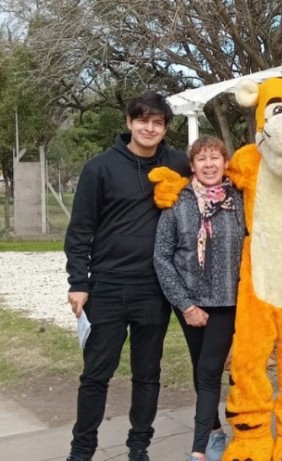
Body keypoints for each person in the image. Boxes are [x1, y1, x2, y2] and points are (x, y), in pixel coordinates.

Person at [64, 92, 191, 461]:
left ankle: (139, 447)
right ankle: (81, 450)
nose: (149, 128)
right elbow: (80, 230)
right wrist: (78, 282)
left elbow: (215, 175)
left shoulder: (178, 163)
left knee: (147, 374)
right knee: (95, 375)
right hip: (107, 285)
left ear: (165, 127)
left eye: (157, 122)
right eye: (142, 120)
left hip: (154, 287)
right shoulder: (100, 168)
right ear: (129, 122)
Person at [153, 136, 244, 461]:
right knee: (200, 367)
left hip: (227, 300)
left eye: (215, 158)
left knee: (208, 370)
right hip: (189, 302)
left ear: (225, 163)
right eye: (202, 159)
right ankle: (215, 431)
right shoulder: (178, 203)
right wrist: (186, 304)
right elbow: (162, 257)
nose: (209, 164)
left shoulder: (239, 200)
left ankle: (199, 449)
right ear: (192, 166)